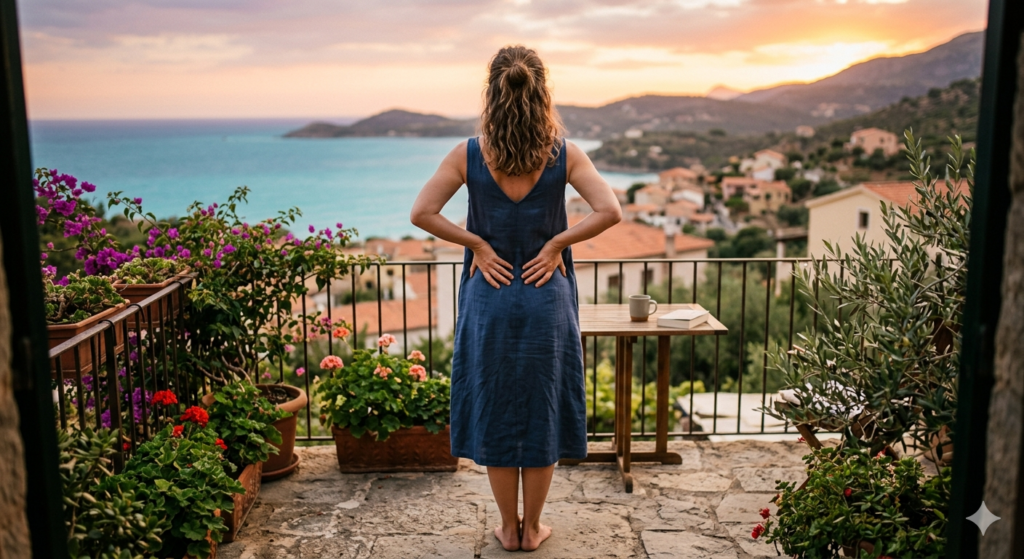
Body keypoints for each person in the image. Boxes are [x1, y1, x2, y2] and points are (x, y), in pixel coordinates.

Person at [409, 45, 622, 552]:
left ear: (492, 93)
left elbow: (422, 213)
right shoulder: (563, 153)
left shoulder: (469, 153)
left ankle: (508, 528)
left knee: (500, 409)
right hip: (548, 300)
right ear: (542, 91)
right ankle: (534, 529)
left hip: (491, 300)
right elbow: (609, 210)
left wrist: (478, 245)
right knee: (543, 410)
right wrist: (556, 244)